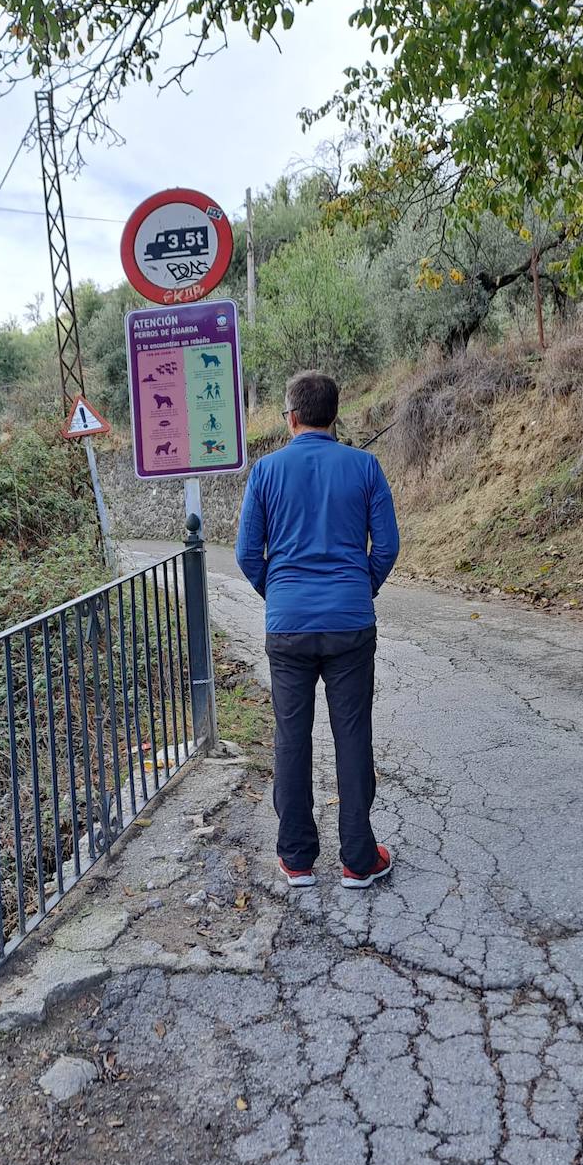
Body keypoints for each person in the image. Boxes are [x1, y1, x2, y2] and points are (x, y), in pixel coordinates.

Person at [234, 371, 400, 890]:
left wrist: (279, 594)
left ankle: (297, 859)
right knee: (353, 737)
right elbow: (387, 547)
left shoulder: (265, 472)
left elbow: (245, 553)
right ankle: (358, 859)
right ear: (335, 416)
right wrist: (359, 589)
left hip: (288, 629)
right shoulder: (365, 466)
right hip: (351, 623)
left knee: (291, 736)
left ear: (291, 418)